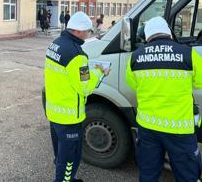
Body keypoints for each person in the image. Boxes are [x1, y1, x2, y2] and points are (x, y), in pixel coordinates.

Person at [126, 16, 202, 182]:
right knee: (187, 175)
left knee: (148, 174)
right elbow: (199, 82)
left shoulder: (135, 56)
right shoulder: (188, 54)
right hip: (179, 128)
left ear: (147, 36)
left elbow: (132, 84)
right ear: (168, 33)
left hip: (148, 127)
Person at [45, 11, 108, 182]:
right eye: (87, 31)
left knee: (60, 155)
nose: (88, 34)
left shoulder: (55, 44)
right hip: (69, 118)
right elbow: (85, 87)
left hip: (54, 113)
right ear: (79, 31)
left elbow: (65, 76)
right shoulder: (77, 55)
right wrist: (99, 72)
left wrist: (87, 68)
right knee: (70, 160)